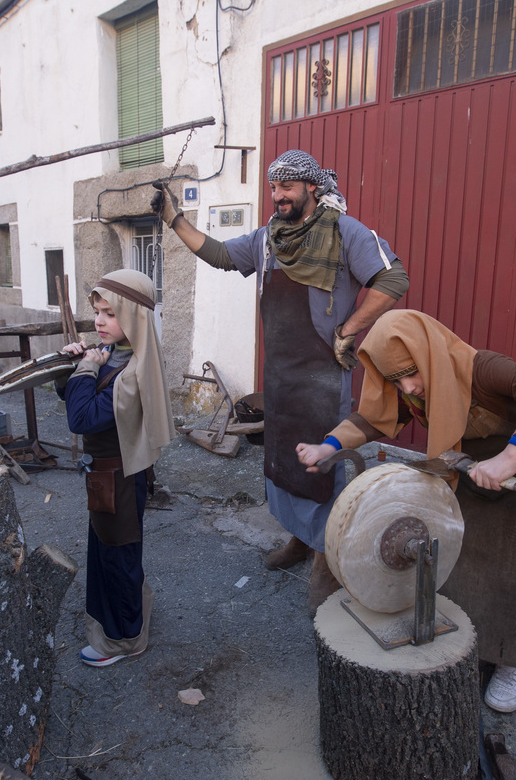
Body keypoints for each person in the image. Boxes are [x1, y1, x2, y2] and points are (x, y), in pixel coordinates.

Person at [296, 310, 516, 712]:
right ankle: (473, 637)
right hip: (465, 467)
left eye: (411, 372)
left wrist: (510, 458)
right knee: (456, 554)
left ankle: (514, 659)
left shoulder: (485, 369)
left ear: (429, 354)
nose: (408, 386)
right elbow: (374, 417)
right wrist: (329, 446)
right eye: (396, 379)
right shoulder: (411, 387)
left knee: (515, 569)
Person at [151, 149, 409, 612]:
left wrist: (350, 330)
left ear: (312, 187)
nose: (278, 196)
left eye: (287, 187)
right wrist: (175, 220)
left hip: (324, 379)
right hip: (282, 375)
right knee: (284, 462)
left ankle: (325, 559)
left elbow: (393, 279)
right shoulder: (270, 238)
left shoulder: (345, 232)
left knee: (321, 467)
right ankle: (299, 539)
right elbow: (220, 255)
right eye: (273, 188)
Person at [57, 269, 176, 667]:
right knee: (110, 551)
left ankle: (125, 639)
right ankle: (128, 622)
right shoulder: (116, 356)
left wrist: (86, 371)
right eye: (97, 312)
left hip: (119, 480)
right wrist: (77, 368)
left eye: (110, 313)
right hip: (108, 475)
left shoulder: (133, 372)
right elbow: (79, 400)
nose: (100, 321)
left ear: (133, 316)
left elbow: (82, 419)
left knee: (117, 556)